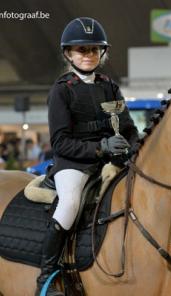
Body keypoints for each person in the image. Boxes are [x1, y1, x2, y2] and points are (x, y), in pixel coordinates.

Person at [35, 17, 139, 295]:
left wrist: (131, 146)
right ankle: (45, 276)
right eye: (82, 50)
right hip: (74, 163)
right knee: (69, 203)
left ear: (101, 53)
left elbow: (129, 127)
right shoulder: (61, 91)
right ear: (68, 53)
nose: (89, 55)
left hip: (111, 162)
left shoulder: (109, 86)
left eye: (94, 49)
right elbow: (60, 143)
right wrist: (100, 148)